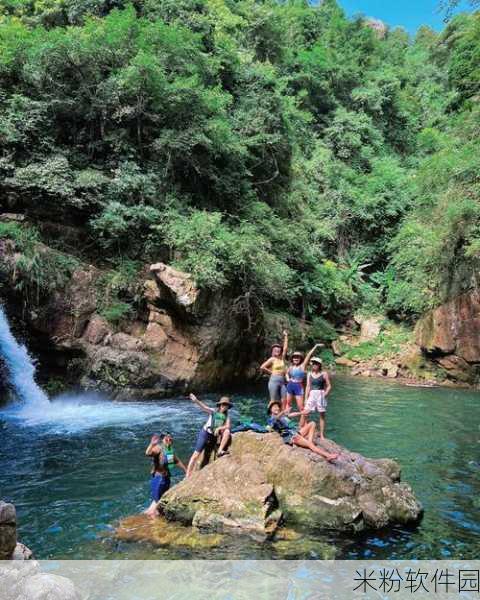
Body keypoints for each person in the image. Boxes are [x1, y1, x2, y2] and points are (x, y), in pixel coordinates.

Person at [266, 400, 338, 462]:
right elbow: (276, 419)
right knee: (310, 444)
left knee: (312, 423)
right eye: (274, 407)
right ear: (270, 410)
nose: (277, 408)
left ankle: (310, 442)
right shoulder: (271, 419)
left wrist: (302, 413)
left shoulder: (282, 416)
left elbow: (291, 415)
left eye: (277, 406)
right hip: (291, 437)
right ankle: (328, 456)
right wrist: (283, 412)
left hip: (294, 432)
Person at [186, 394, 232, 477]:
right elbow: (204, 407)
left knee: (207, 457)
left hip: (213, 437)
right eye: (223, 404)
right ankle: (187, 475)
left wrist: (220, 428)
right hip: (205, 433)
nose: (224, 407)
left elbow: (228, 426)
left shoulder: (226, 416)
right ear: (220, 405)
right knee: (196, 455)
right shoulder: (213, 411)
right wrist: (196, 400)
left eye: (226, 405)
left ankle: (220, 451)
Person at [285, 343, 323, 416]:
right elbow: (286, 373)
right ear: (292, 359)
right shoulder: (290, 367)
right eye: (294, 357)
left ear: (301, 359)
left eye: (298, 357)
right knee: (288, 403)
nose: (296, 358)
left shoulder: (302, 366)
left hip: (298, 386)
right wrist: (287, 378)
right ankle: (286, 420)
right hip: (290, 385)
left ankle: (304, 423)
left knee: (301, 407)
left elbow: (308, 355)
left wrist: (315, 346)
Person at [144, 434, 171, 518]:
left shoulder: (169, 449)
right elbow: (147, 453)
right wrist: (152, 444)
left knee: (158, 501)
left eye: (170, 438)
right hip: (159, 479)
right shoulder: (158, 448)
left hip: (165, 479)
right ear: (163, 440)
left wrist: (186, 470)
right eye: (167, 438)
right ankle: (153, 523)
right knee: (157, 503)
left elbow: (172, 463)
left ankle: (148, 514)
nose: (169, 439)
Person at [304, 357, 332, 440]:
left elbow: (329, 385)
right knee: (306, 412)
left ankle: (322, 434)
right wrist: (306, 398)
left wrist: (325, 394)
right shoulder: (309, 373)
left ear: (319, 365)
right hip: (312, 393)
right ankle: (306, 430)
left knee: (322, 415)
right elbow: (308, 386)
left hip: (320, 393)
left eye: (316, 363)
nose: (314, 365)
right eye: (313, 363)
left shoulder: (324, 374)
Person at [260, 330, 288, 405]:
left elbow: (285, 348)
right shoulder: (272, 359)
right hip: (274, 380)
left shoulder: (282, 358)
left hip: (282, 381)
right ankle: (271, 415)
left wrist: (286, 336)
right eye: (275, 349)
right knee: (273, 400)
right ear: (273, 351)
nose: (277, 350)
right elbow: (262, 367)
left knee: (284, 399)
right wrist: (271, 372)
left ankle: (282, 415)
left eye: (278, 349)